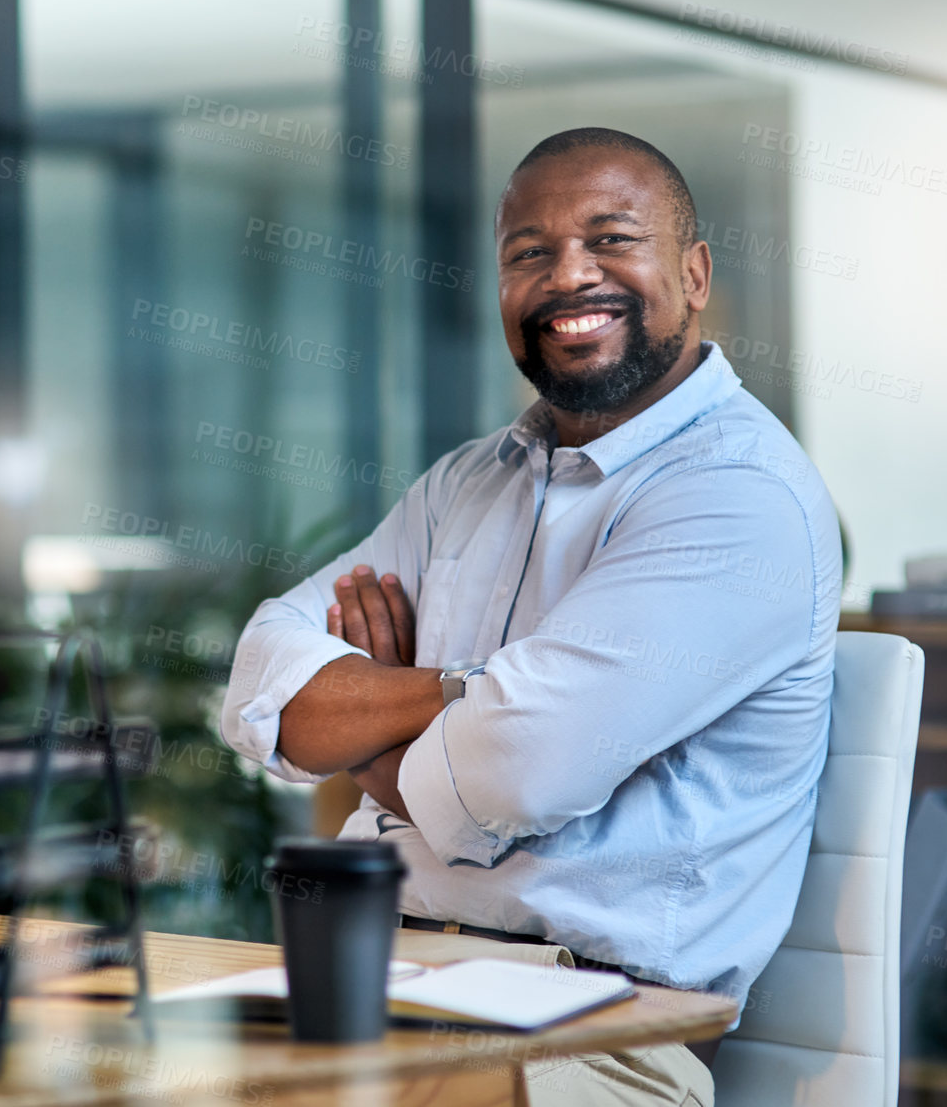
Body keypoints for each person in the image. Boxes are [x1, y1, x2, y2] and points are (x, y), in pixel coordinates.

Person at [219, 127, 842, 1106]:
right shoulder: (465, 484)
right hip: (376, 986)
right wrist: (469, 693)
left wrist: (377, 736)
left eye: (610, 239)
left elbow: (518, 767)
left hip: (589, 1036)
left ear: (694, 271)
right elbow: (264, 683)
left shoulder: (739, 494)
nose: (568, 276)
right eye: (529, 254)